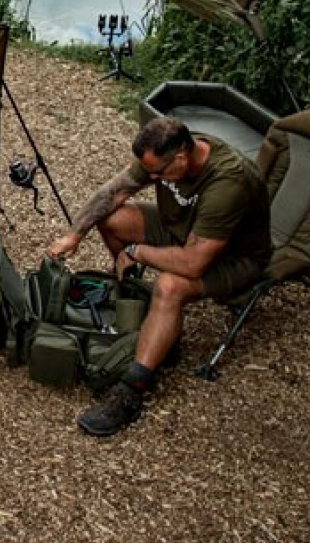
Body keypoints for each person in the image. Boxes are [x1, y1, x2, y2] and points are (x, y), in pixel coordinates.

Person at [44, 114, 271, 436]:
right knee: (112, 219)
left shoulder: (227, 183)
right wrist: (74, 234)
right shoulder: (167, 153)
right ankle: (141, 305)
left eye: (156, 173)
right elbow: (113, 193)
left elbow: (193, 264)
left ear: (181, 158)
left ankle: (131, 390)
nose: (149, 177)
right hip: (185, 230)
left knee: (169, 285)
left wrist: (136, 252)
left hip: (236, 258)